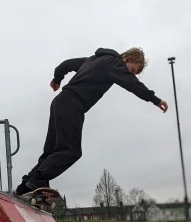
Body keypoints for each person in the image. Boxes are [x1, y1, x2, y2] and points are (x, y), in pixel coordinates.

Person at [16, 47, 168, 196]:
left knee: (51, 151)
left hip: (60, 101)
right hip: (72, 105)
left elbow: (66, 65)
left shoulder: (92, 60)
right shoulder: (115, 63)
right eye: (132, 70)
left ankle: (26, 185)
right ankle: (38, 179)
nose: (130, 74)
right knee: (70, 151)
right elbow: (132, 84)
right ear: (127, 59)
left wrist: (57, 79)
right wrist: (154, 99)